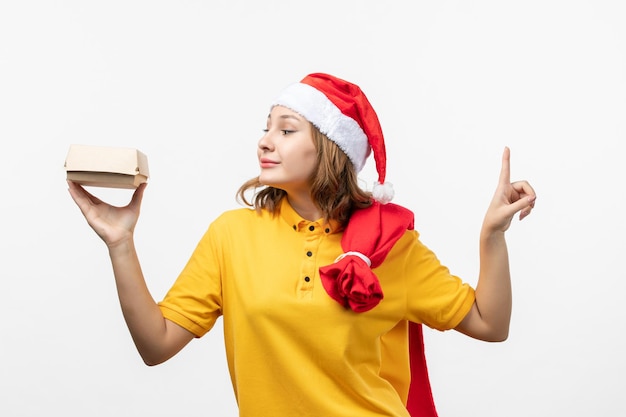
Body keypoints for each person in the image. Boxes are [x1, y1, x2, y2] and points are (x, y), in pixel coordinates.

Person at [68, 72, 536, 417]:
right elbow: (157, 344)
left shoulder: (391, 246)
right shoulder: (232, 236)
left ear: (332, 148)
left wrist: (491, 235)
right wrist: (120, 242)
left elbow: (490, 324)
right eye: (266, 127)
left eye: (286, 130)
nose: (265, 141)